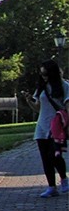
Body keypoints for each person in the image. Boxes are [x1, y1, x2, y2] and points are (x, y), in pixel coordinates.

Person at [29, 59, 69, 198]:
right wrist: (29, 100)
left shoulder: (64, 86)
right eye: (41, 74)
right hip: (42, 126)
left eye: (45, 74)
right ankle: (51, 187)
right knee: (45, 158)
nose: (43, 77)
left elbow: (67, 105)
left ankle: (64, 179)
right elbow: (38, 108)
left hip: (57, 126)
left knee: (55, 155)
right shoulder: (42, 87)